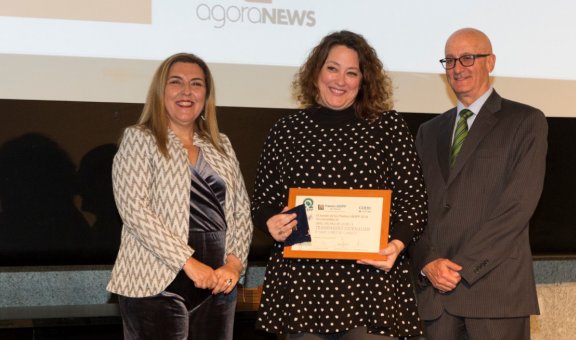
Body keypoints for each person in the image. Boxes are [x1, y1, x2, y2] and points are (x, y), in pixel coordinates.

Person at [251, 30, 427, 339]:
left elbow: (413, 201)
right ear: (316, 71)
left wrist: (396, 246)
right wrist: (271, 222)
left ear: (364, 80)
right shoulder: (286, 131)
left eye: (351, 72)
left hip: (370, 283)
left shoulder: (388, 127)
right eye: (332, 68)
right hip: (304, 287)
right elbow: (262, 201)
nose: (340, 80)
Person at [410, 28, 547, 340]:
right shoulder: (428, 132)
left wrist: (460, 268)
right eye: (450, 60)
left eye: (469, 58)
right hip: (436, 297)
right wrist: (428, 262)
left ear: (491, 62)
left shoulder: (526, 121)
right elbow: (414, 206)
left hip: (493, 292)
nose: (458, 68)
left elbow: (517, 207)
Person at [106, 53, 253, 339]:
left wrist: (234, 264)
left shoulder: (221, 144)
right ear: (161, 91)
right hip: (155, 283)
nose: (187, 91)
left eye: (196, 84)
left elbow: (241, 212)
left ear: (206, 96)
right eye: (176, 82)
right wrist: (189, 263)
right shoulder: (139, 138)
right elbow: (134, 210)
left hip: (218, 284)